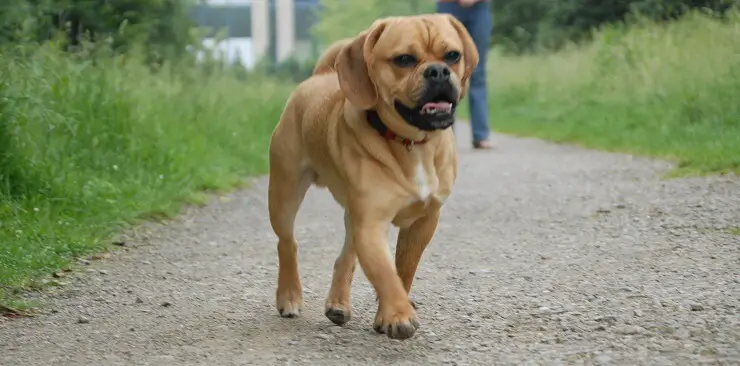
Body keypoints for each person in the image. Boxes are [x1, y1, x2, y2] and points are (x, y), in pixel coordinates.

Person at [436, 0, 493, 149]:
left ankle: (481, 135)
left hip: (479, 8)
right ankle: (445, 134)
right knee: (445, 70)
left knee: (477, 70)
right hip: (448, 6)